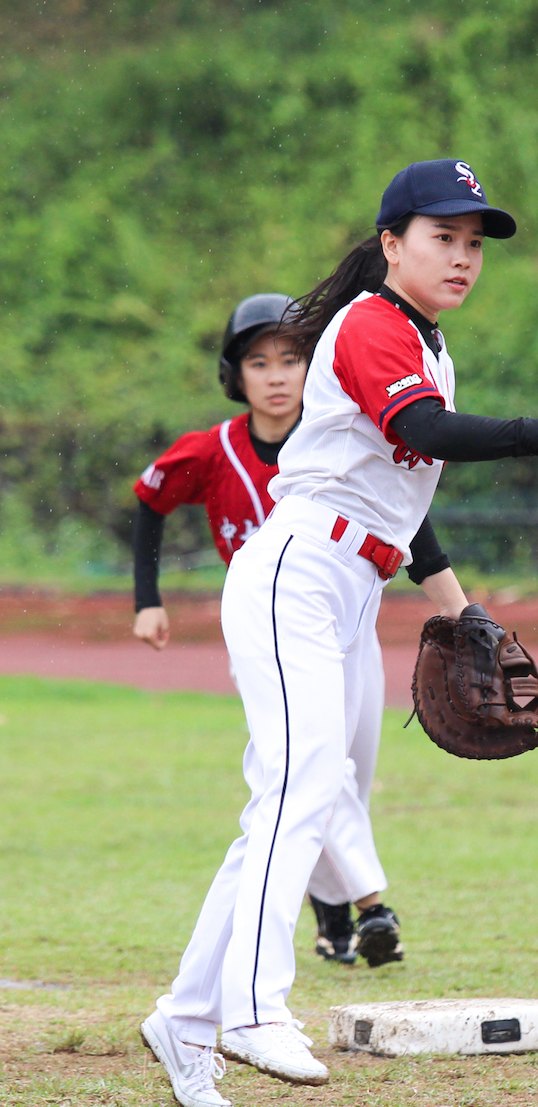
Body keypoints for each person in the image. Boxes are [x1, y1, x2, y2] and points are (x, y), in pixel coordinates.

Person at [140, 158, 538, 1107]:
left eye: (473, 242)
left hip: (347, 581)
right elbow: (430, 431)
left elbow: (410, 511)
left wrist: (463, 612)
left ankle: (190, 1014)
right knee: (300, 786)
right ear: (391, 243)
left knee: (292, 797)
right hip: (298, 571)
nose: (461, 256)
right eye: (441, 236)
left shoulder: (425, 341)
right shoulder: (370, 324)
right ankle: (250, 1005)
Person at [132, 294, 400, 978]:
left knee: (348, 776)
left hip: (349, 623)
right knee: (312, 765)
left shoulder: (341, 435)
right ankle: (369, 907)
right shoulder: (213, 449)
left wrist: (455, 603)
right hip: (268, 628)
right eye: (259, 361)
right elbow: (151, 497)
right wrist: (147, 600)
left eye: (293, 358)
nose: (277, 375)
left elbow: (412, 525)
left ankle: (334, 914)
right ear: (236, 374)